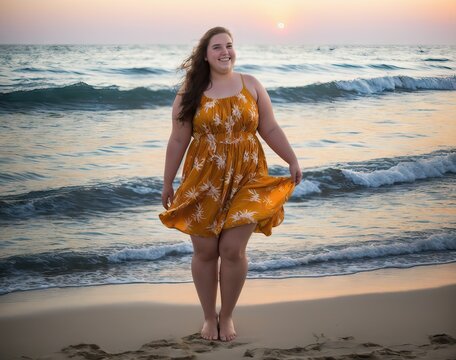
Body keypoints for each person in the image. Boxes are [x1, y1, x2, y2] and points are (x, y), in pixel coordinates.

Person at [159, 26, 302, 342]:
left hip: (247, 176)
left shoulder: (250, 85)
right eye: (217, 47)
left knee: (233, 249)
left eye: (229, 46)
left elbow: (270, 127)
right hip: (203, 179)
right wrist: (168, 182)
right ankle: (209, 317)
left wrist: (292, 159)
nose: (225, 52)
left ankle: (227, 315)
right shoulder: (190, 93)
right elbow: (178, 139)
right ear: (206, 55)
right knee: (206, 252)